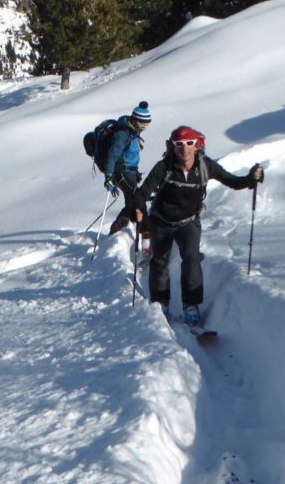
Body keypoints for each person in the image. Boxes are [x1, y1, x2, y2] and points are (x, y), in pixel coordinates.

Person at [130, 126, 263, 326]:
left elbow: (233, 182)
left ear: (197, 145)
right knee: (159, 261)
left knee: (191, 260)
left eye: (189, 143)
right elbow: (141, 193)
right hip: (161, 220)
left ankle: (191, 306)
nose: (184, 148)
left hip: (188, 222)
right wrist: (137, 210)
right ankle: (160, 303)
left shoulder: (206, 166)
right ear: (172, 146)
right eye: (179, 144)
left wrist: (251, 179)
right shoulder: (163, 167)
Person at [103, 101, 152, 235]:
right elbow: (112, 154)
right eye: (143, 124)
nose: (145, 128)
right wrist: (108, 176)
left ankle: (120, 231)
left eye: (148, 124)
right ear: (136, 121)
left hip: (130, 172)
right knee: (136, 203)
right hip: (122, 172)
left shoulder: (132, 131)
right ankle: (121, 232)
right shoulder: (123, 134)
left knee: (133, 203)